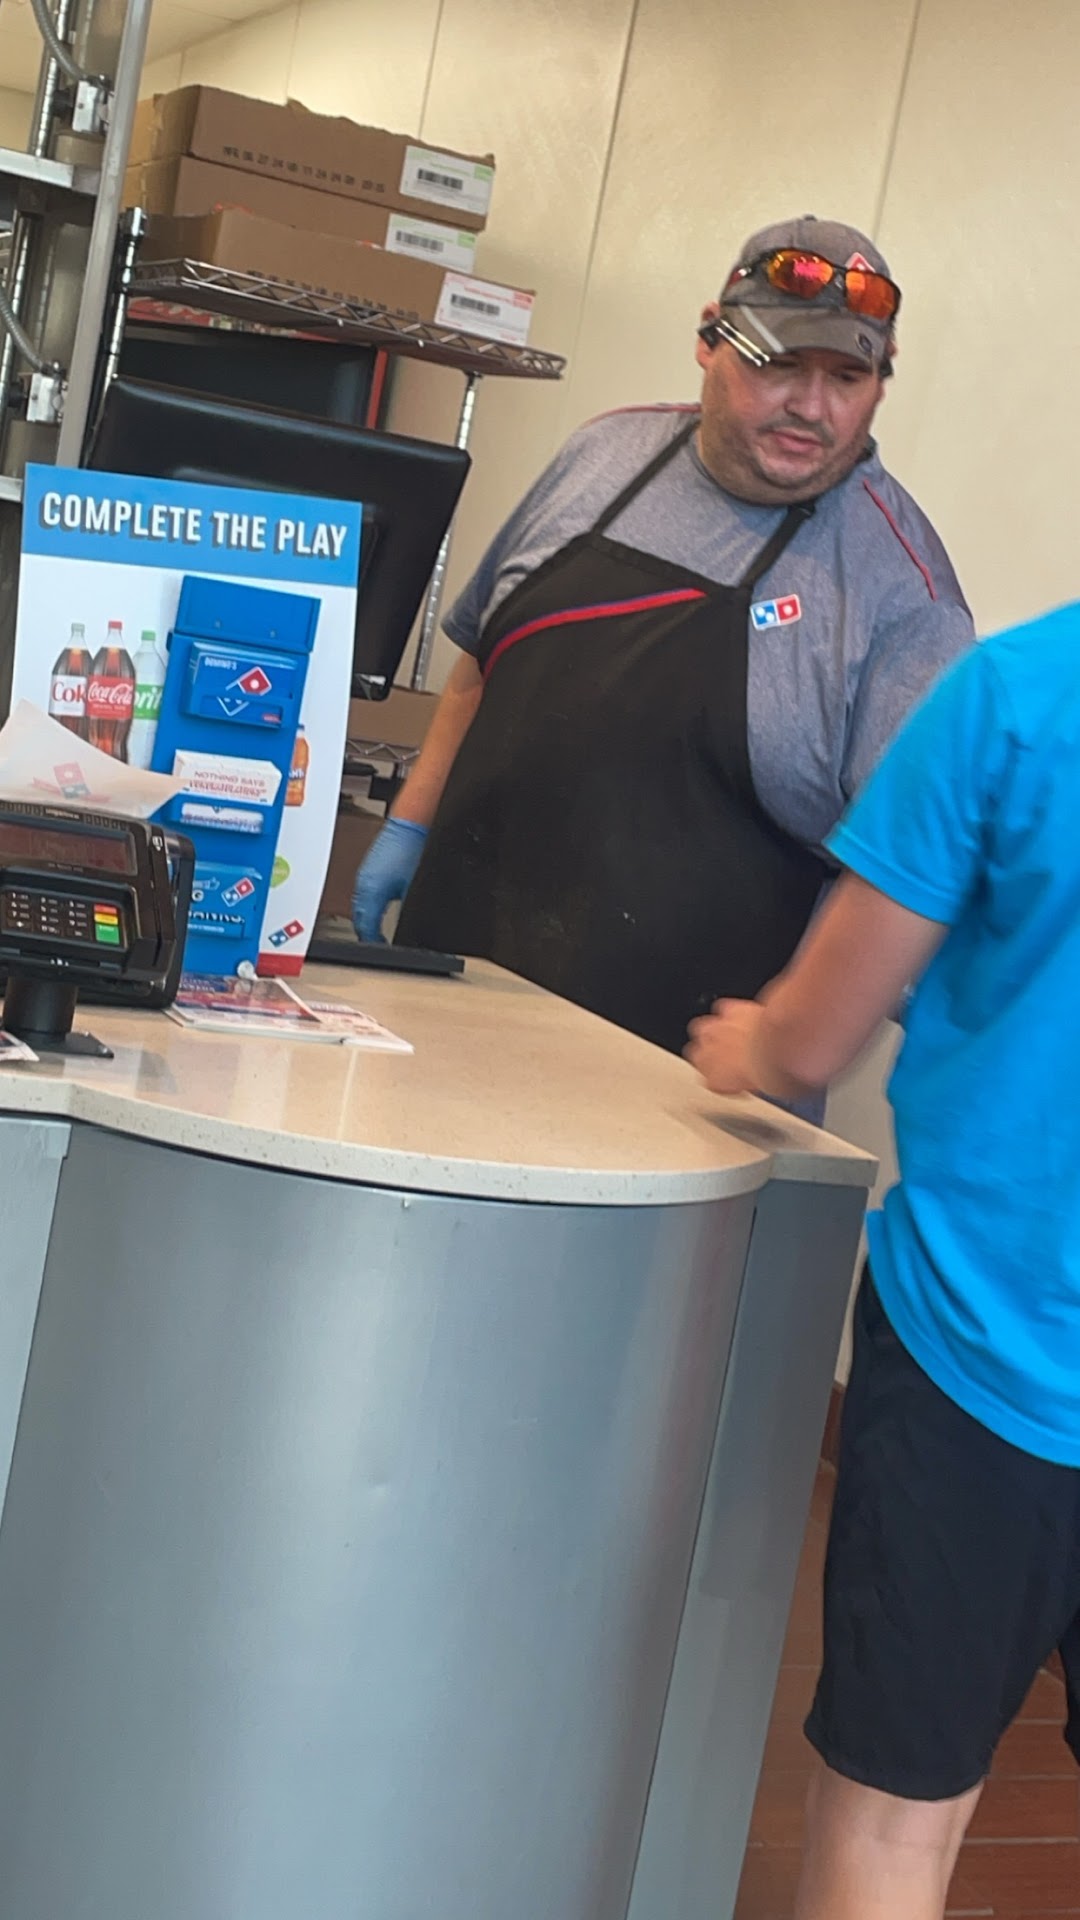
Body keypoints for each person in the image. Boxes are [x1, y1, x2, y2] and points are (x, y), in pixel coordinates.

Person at [353, 215, 974, 1062]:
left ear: (881, 381)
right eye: (779, 364)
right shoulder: (602, 454)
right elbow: (480, 661)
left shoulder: (905, 594)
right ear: (710, 340)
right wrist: (411, 825)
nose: (811, 406)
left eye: (846, 377)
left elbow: (910, 874)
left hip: (677, 1076)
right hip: (452, 992)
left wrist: (787, 1048)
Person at [685, 600, 1080, 1920]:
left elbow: (811, 1039)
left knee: (897, 1821)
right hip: (993, 1350)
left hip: (984, 1352)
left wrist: (748, 1045)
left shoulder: (1019, 694)